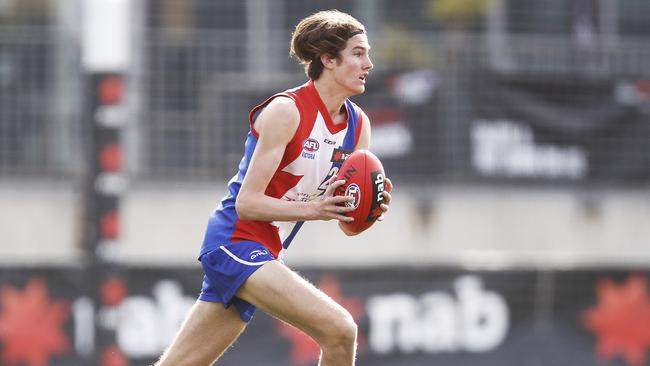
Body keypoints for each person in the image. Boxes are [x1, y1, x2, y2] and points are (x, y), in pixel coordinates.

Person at [155, 9, 391, 366]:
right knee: (341, 330)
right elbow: (248, 204)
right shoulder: (287, 111)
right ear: (327, 59)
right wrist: (314, 210)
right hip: (234, 243)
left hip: (266, 251)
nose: (369, 63)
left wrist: (368, 208)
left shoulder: (359, 128)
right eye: (358, 52)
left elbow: (347, 222)